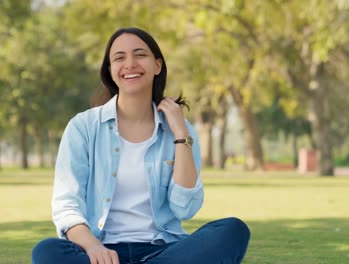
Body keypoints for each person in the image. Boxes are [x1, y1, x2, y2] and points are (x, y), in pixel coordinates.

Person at [32, 27, 250, 264]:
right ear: (110, 71)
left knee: (232, 231)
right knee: (48, 251)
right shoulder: (83, 127)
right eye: (119, 58)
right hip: (100, 254)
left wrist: (179, 135)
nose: (130, 64)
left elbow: (184, 209)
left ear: (157, 65)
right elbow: (67, 207)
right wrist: (94, 248)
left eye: (140, 55)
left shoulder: (181, 129)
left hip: (163, 250)